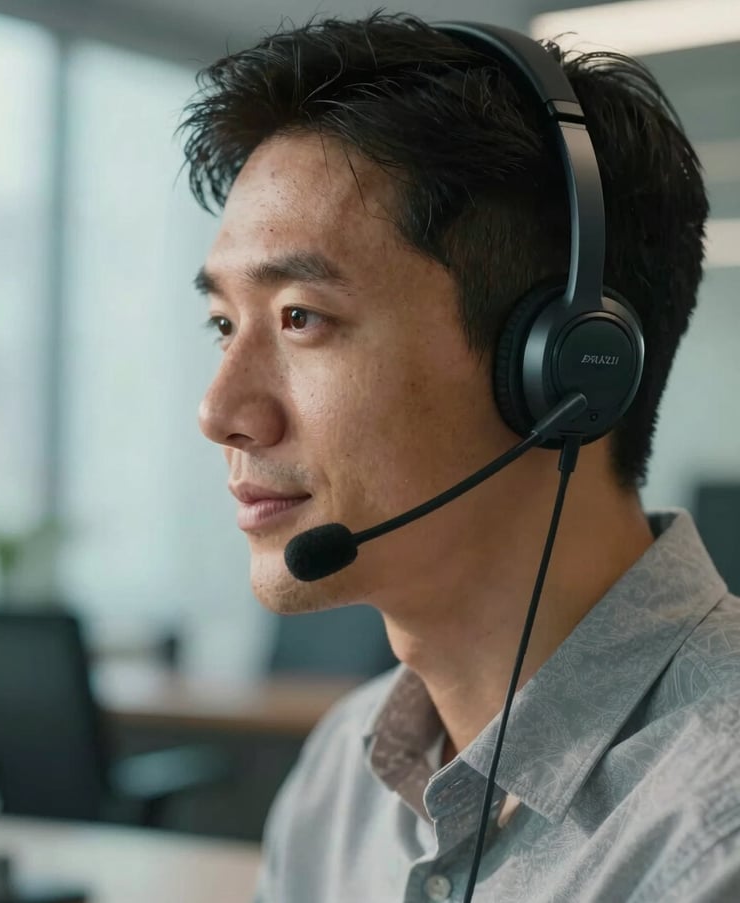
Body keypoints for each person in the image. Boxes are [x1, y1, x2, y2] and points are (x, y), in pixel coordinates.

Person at [181, 12, 740, 902]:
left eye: (301, 318)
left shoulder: (714, 834)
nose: (220, 413)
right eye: (223, 324)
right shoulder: (343, 774)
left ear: (562, 366)